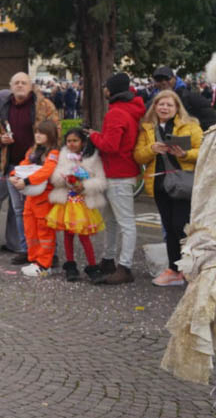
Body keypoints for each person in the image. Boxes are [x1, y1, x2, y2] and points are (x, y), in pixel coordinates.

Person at [0, 72, 58, 260]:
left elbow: (56, 132)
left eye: (24, 82)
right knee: (5, 206)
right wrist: (0, 139)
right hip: (10, 165)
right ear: (11, 86)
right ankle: (20, 246)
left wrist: (39, 152)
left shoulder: (44, 105)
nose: (20, 85)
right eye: (17, 83)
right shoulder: (3, 106)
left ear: (30, 86)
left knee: (28, 210)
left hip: (35, 166)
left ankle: (33, 249)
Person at [134, 89, 203, 287]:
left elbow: (203, 152)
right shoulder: (147, 128)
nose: (164, 108)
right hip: (158, 183)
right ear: (154, 107)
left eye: (169, 105)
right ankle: (174, 270)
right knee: (169, 228)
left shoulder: (191, 126)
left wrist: (185, 154)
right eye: (161, 104)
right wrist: (151, 149)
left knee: (180, 226)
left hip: (183, 183)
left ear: (177, 108)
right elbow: (138, 156)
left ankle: (190, 269)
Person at [88, 72, 147, 285]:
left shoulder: (116, 113)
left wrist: (93, 135)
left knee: (123, 222)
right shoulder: (130, 110)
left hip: (116, 173)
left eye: (106, 86)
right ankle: (109, 259)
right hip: (123, 172)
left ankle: (124, 266)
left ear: (111, 90)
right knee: (113, 220)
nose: (104, 89)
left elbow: (110, 146)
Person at [47, 128, 107, 281]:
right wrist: (66, 179)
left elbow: (101, 181)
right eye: (69, 141)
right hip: (67, 201)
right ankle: (70, 265)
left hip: (83, 202)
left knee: (84, 235)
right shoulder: (63, 157)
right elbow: (54, 177)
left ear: (83, 142)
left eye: (75, 141)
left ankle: (92, 266)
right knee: (68, 234)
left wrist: (85, 186)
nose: (72, 144)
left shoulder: (93, 158)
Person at [10, 120, 61, 277]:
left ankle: (45, 264)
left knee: (44, 232)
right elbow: (23, 165)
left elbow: (46, 171)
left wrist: (25, 181)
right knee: (30, 230)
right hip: (31, 197)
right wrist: (13, 176)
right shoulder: (33, 151)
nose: (38, 135)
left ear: (50, 135)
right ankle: (35, 260)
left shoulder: (53, 153)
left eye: (42, 133)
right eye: (36, 132)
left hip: (44, 197)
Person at [152, 66, 216, 130]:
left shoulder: (192, 98)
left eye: (167, 78)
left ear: (175, 79)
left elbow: (211, 121)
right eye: (159, 79)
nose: (163, 82)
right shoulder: (153, 100)